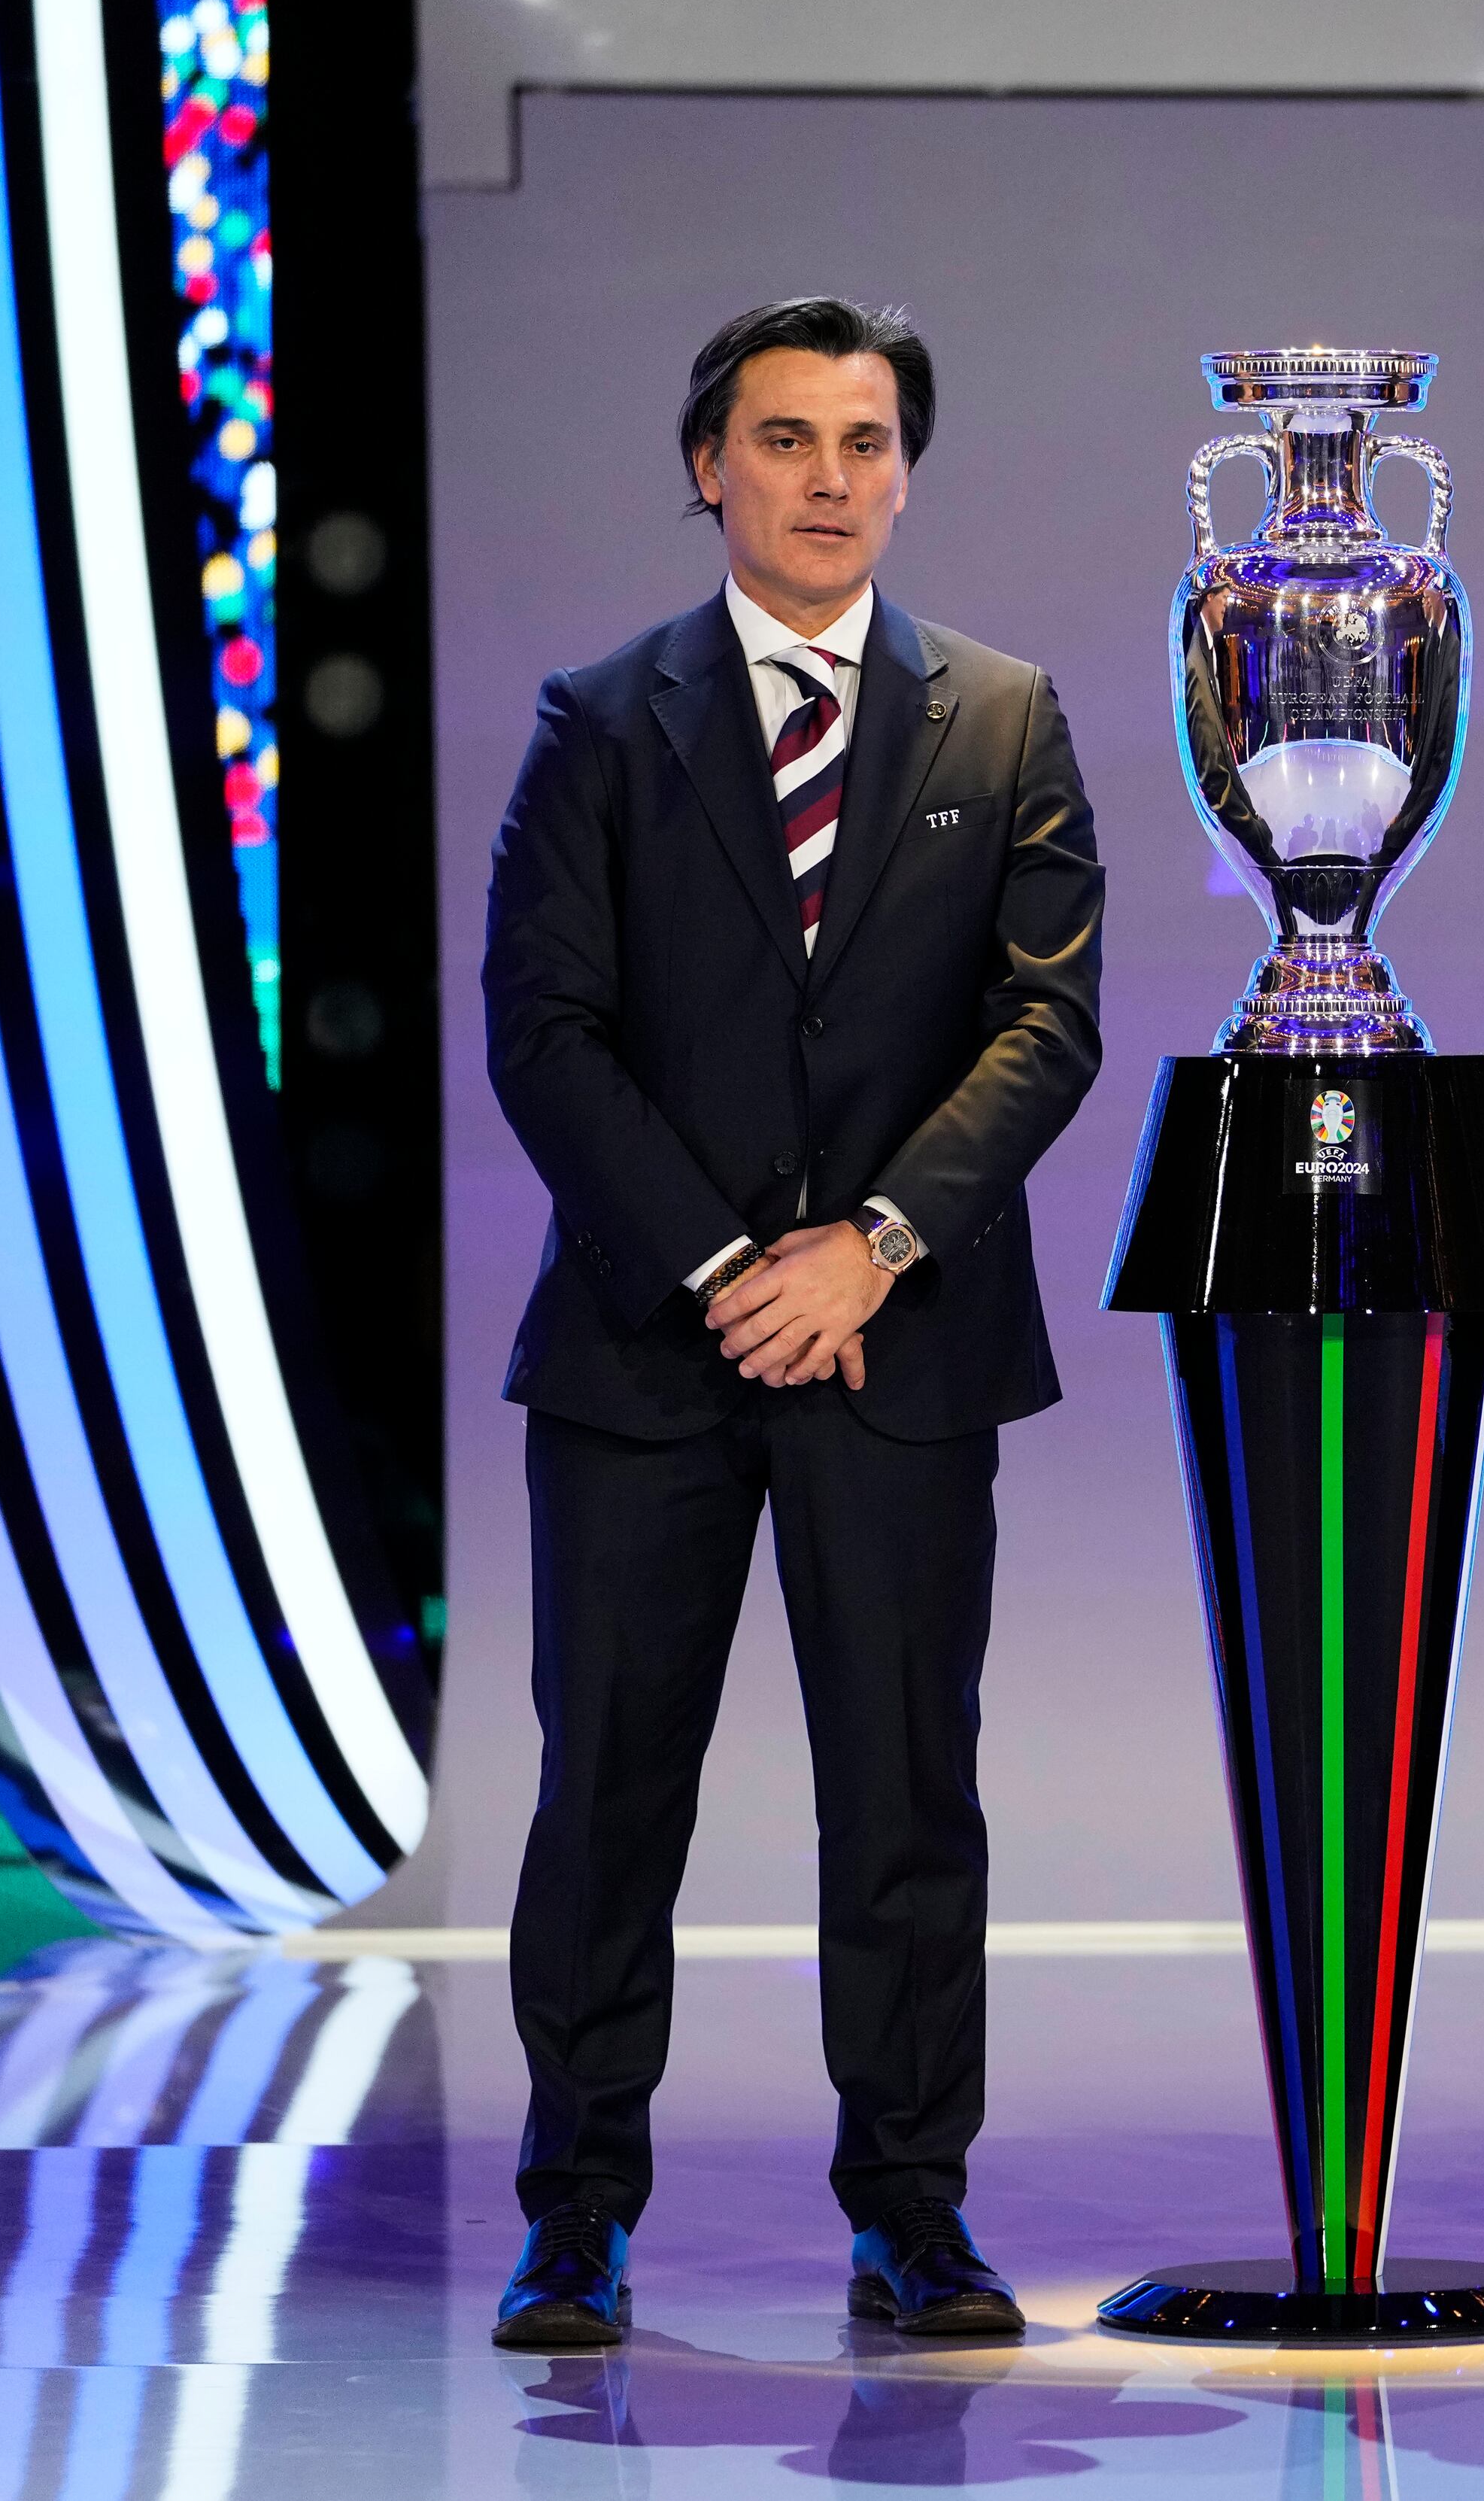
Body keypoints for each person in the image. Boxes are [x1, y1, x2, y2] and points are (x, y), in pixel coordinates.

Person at [478, 296, 1104, 2348]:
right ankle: (575, 2214)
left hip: (904, 1346)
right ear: (707, 468)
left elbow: (1049, 1021)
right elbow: (545, 1033)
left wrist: (877, 1245)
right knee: (608, 1793)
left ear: (905, 469)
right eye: (786, 439)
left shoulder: (1004, 714)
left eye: (865, 440)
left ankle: (913, 2215)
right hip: (651, 1356)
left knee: (910, 1794)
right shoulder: (602, 717)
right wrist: (733, 1270)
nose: (830, 477)